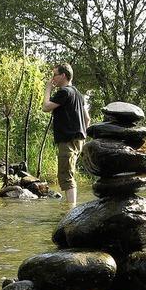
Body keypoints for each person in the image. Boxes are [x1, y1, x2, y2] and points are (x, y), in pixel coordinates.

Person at [41, 63, 90, 205]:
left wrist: (48, 89)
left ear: (63, 75)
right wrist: (82, 137)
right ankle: (70, 207)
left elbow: (46, 107)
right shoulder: (79, 94)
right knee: (69, 173)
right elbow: (87, 119)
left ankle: (70, 210)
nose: (52, 79)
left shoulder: (64, 92)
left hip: (68, 140)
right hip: (78, 140)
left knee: (66, 176)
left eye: (54, 75)